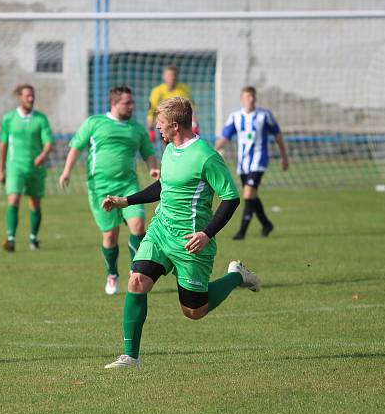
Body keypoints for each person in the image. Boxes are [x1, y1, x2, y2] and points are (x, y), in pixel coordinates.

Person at [101, 97, 260, 369]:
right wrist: (125, 201)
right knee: (137, 280)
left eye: (160, 125)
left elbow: (231, 198)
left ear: (175, 125)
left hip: (192, 241)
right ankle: (130, 356)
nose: (157, 130)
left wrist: (207, 234)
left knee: (194, 311)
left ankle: (236, 276)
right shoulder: (170, 148)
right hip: (161, 231)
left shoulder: (206, 156)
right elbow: (163, 186)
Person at [59, 86, 160, 295]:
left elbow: (148, 152)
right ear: (114, 103)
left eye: (132, 102)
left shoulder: (137, 129)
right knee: (110, 237)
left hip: (128, 186)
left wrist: (153, 169)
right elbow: (76, 147)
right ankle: (112, 274)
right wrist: (66, 172)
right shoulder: (94, 122)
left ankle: (137, 272)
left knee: (139, 225)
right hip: (100, 188)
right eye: (127, 103)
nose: (131, 106)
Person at [215, 86, 289, 240]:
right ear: (242, 99)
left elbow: (278, 136)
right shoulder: (235, 116)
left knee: (248, 194)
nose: (251, 99)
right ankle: (266, 224)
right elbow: (225, 137)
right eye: (248, 96)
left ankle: (242, 232)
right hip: (243, 164)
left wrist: (284, 157)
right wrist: (213, 151)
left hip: (259, 161)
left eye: (253, 96)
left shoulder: (264, 115)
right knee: (251, 196)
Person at [0, 84, 54, 252]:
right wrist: (1, 169)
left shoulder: (41, 119)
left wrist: (43, 155)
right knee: (14, 199)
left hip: (36, 168)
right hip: (15, 166)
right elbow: (3, 144)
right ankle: (11, 239)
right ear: (19, 97)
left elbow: (48, 142)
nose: (31, 99)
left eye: (32, 95)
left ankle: (33, 238)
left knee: (35, 204)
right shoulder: (8, 119)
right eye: (27, 96)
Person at [146, 65, 198, 145]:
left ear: (176, 76)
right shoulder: (157, 91)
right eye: (168, 75)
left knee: (185, 146)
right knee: (168, 148)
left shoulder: (184, 90)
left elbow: (191, 108)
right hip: (165, 124)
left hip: (181, 124)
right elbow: (151, 111)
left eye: (173, 75)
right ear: (164, 77)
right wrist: (150, 129)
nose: (171, 78)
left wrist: (195, 124)